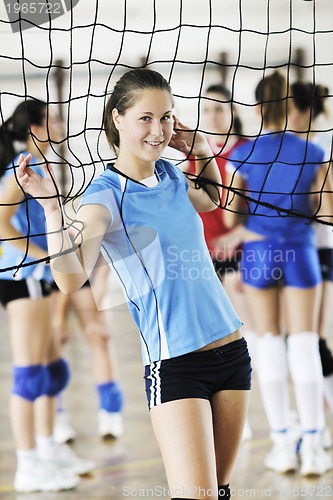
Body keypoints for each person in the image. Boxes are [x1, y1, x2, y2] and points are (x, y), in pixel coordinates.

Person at [16, 68, 252, 500]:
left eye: (166, 117)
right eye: (146, 117)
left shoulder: (172, 175)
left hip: (233, 349)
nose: (159, 130)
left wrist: (200, 149)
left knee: (218, 491)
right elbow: (70, 280)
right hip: (176, 364)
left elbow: (212, 199)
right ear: (117, 119)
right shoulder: (102, 198)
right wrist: (52, 210)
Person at [224, 71, 333, 476]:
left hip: (258, 254)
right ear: (292, 107)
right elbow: (327, 213)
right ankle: (314, 446)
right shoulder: (312, 152)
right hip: (300, 252)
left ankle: (284, 445)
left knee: (267, 345)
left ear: (255, 109)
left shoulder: (242, 154)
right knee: (304, 343)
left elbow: (233, 213)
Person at [0, 100, 95, 493]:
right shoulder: (20, 166)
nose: (61, 123)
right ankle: (28, 465)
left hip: (38, 277)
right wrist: (46, 256)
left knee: (51, 368)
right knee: (28, 373)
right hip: (21, 277)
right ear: (36, 127)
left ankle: (48, 446)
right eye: (53, 118)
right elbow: (0, 222)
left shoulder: (38, 165)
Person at [186, 84, 256, 440]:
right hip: (202, 258)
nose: (214, 115)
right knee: (211, 337)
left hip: (240, 254)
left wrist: (237, 235)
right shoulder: (193, 157)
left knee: (246, 333)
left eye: (220, 108)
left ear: (233, 111)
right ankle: (223, 412)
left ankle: (245, 411)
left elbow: (260, 210)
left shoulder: (248, 152)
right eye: (208, 108)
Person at [288, 80, 333, 448]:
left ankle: (314, 432)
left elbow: (325, 209)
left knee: (310, 341)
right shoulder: (295, 147)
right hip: (301, 249)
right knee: (306, 341)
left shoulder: (320, 148)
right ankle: (313, 426)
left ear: (303, 112)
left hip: (316, 249)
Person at [52, 259, 124, 443]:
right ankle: (57, 415)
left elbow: (107, 258)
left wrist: (95, 311)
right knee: (53, 343)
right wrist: (60, 318)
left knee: (100, 338)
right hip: (54, 274)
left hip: (89, 272)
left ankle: (110, 412)